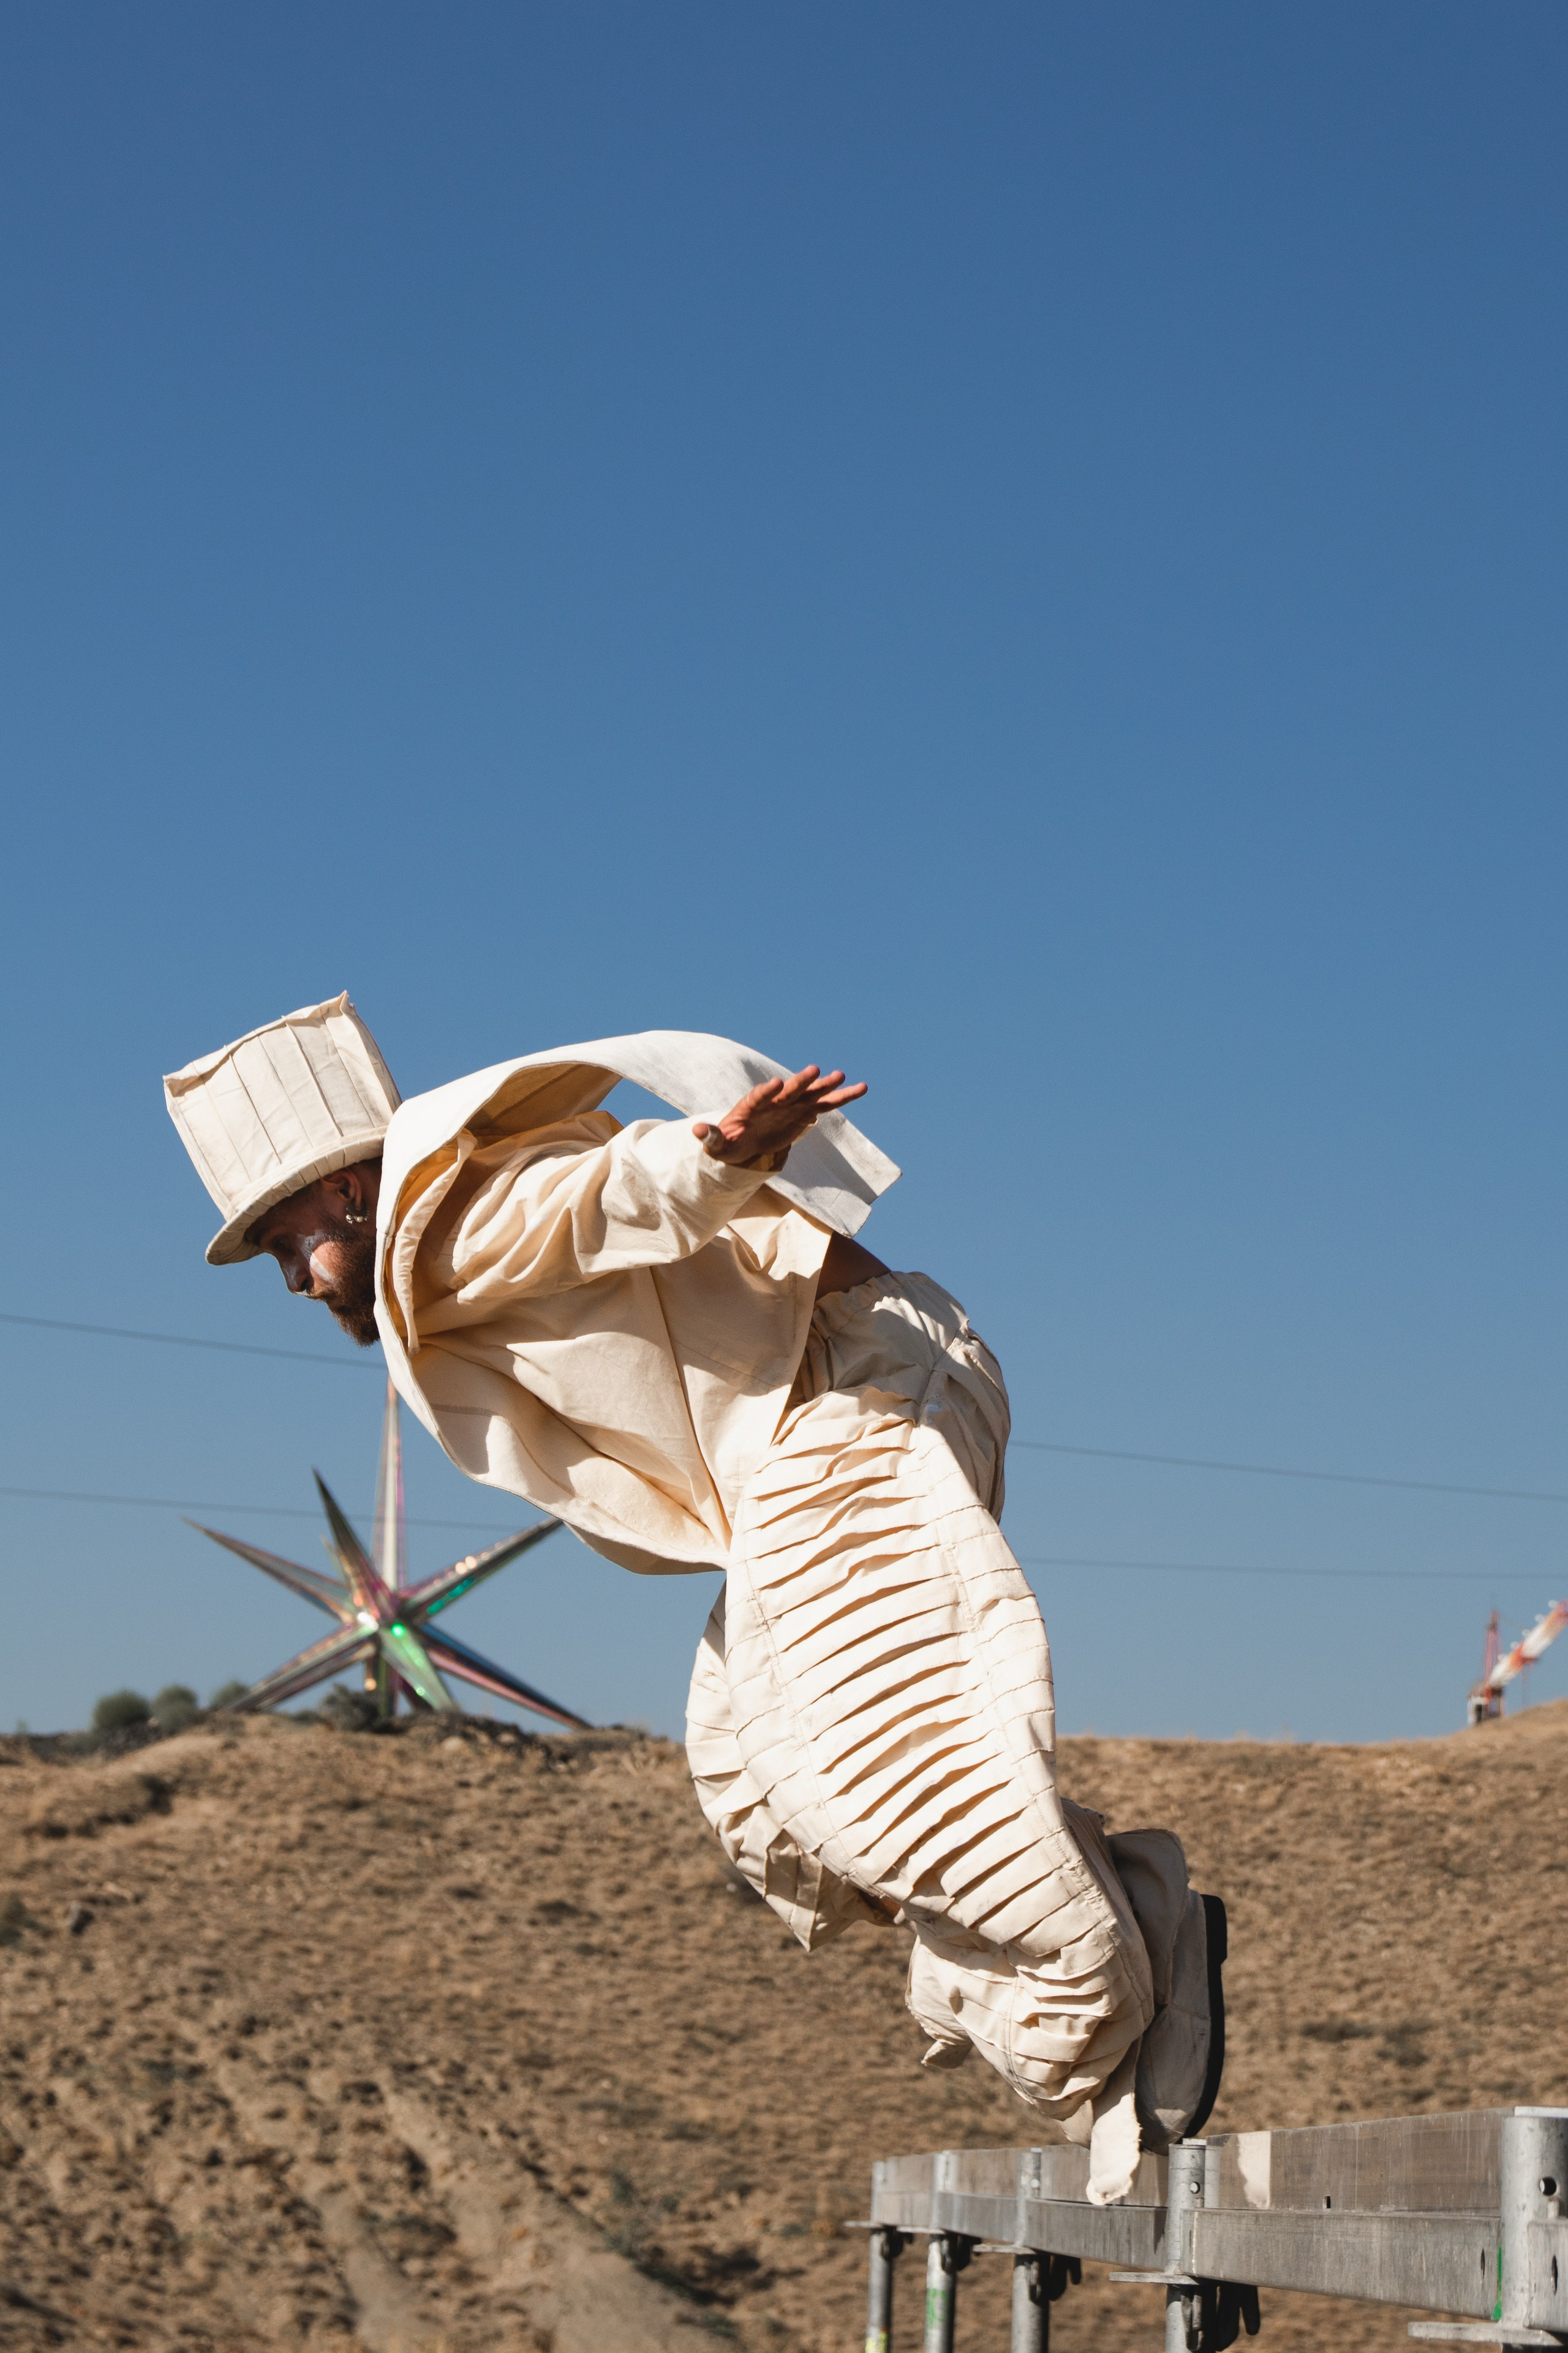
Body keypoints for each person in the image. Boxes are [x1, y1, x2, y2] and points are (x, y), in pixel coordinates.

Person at [165, 994, 1223, 2200]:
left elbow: (596, 1201)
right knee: (755, 1790)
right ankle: (1114, 1926)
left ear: (344, 1187)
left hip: (848, 1394)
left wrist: (716, 1156)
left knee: (877, 1763)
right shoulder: (439, 1219)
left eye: (288, 1239)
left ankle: (1107, 1994)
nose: (294, 1278)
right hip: (822, 1415)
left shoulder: (435, 1221)